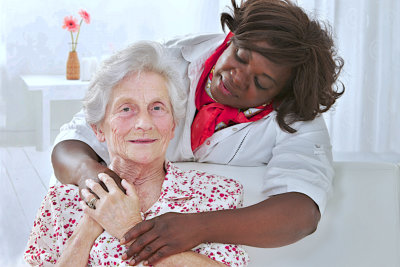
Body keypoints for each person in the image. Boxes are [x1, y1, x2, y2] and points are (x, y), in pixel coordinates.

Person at [51, 0, 345, 265]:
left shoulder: (298, 117)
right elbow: (73, 140)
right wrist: (94, 181)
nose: (238, 78)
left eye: (262, 82)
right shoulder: (164, 61)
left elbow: (301, 214)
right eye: (240, 57)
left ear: (283, 93)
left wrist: (197, 227)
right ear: (232, 37)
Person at [24, 41, 249, 266]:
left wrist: (129, 227)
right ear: (98, 129)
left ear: (172, 125)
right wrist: (89, 225)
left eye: (157, 108)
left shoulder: (219, 195)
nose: (144, 123)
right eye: (126, 109)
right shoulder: (61, 201)